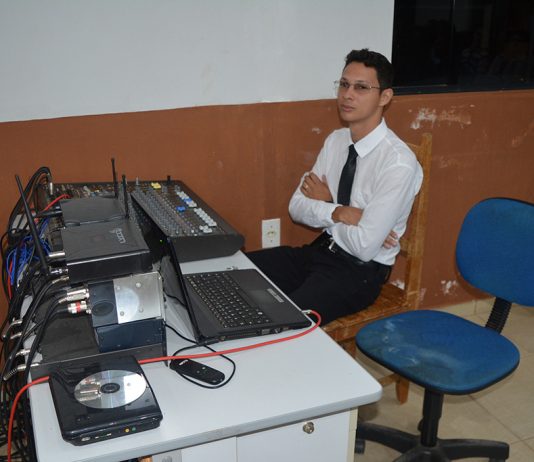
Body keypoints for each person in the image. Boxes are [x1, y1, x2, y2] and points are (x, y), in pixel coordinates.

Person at [247, 48, 423, 326]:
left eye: (361, 87)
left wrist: (327, 206)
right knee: (237, 272)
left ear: (385, 97)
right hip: (320, 251)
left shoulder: (397, 163)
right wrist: (340, 212)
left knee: (284, 321)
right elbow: (296, 208)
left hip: (358, 273)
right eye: (344, 84)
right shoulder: (336, 141)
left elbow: (364, 247)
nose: (347, 95)